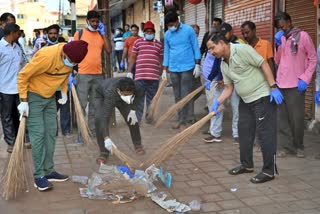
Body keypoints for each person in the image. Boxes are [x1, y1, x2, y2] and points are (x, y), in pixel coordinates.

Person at [207, 33, 283, 183]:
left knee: (265, 134)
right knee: (244, 132)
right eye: (209, 50)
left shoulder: (242, 50)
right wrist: (218, 102)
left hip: (262, 97)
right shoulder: (223, 64)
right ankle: (247, 164)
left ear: (222, 43)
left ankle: (269, 171)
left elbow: (263, 63)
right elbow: (229, 87)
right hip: (246, 100)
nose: (211, 52)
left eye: (212, 48)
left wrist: (273, 87)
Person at [17, 40, 88, 191]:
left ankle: (49, 171)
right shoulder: (46, 56)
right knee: (38, 135)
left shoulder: (72, 57)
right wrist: (24, 101)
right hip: (33, 96)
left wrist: (63, 91)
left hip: (50, 98)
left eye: (74, 63)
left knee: (51, 133)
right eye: (70, 60)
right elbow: (22, 76)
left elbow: (64, 75)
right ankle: (38, 176)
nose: (71, 64)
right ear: (64, 52)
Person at [274, 12, 317, 158]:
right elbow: (277, 61)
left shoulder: (303, 36)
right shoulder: (281, 38)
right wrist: (278, 45)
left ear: (290, 22)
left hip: (295, 84)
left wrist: (305, 78)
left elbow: (313, 58)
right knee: (282, 119)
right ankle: (287, 147)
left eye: (284, 25)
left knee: (296, 118)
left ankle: (299, 146)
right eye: (279, 27)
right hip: (281, 83)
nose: (283, 28)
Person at [73, 10, 111, 136]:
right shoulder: (80, 33)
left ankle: (93, 131)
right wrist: (71, 73)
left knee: (95, 106)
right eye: (92, 21)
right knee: (82, 105)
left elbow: (109, 50)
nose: (95, 24)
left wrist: (104, 34)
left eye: (97, 21)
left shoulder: (100, 35)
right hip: (83, 74)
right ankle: (81, 132)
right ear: (87, 21)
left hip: (98, 74)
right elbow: (71, 53)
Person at [163, 11, 201, 130]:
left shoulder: (189, 30)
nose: (170, 27)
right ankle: (181, 119)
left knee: (186, 94)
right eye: (168, 25)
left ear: (177, 21)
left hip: (188, 67)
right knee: (177, 95)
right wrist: (164, 69)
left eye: (172, 24)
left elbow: (195, 46)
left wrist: (197, 64)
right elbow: (166, 51)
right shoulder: (167, 34)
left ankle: (187, 118)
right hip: (173, 68)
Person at [203, 23, 240, 144]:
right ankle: (215, 133)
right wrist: (211, 78)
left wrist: (224, 79)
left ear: (231, 32)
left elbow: (237, 67)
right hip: (220, 81)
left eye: (225, 33)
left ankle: (237, 134)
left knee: (236, 107)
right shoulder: (218, 48)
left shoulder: (237, 46)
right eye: (221, 34)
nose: (223, 36)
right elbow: (216, 65)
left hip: (234, 82)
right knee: (216, 106)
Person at [95, 77, 145, 164]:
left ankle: (137, 144)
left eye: (129, 95)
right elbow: (105, 117)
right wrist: (106, 138)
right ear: (119, 91)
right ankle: (104, 151)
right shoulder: (110, 93)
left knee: (132, 119)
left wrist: (133, 110)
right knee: (99, 119)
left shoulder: (137, 87)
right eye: (125, 95)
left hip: (119, 94)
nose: (127, 97)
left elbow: (138, 98)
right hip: (102, 95)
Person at [127, 21, 163, 123]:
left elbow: (160, 59)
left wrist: (162, 72)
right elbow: (133, 57)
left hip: (154, 77)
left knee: (152, 99)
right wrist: (129, 71)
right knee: (139, 99)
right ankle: (137, 119)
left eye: (151, 31)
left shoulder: (159, 44)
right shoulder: (138, 42)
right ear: (144, 32)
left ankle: (149, 118)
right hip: (140, 76)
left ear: (154, 32)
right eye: (147, 31)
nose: (149, 33)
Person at [0, 23, 22, 153]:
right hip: (4, 88)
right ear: (12, 33)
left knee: (21, 114)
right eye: (17, 33)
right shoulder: (0, 47)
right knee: (6, 116)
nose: (19, 35)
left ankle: (21, 140)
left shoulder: (17, 47)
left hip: (19, 87)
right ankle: (10, 142)